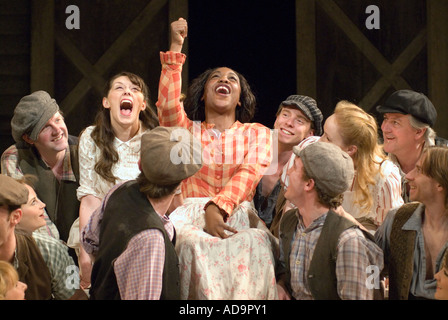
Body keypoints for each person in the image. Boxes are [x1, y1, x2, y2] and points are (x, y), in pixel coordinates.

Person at [156, 18, 277, 299]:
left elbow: (249, 172)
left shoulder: (257, 133)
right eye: (216, 77)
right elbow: (167, 106)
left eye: (232, 78)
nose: (224, 79)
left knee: (258, 241)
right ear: (202, 96)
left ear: (239, 100)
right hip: (191, 215)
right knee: (188, 242)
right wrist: (175, 47)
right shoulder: (186, 131)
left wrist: (219, 207)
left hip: (236, 213)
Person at [81, 126, 202, 300]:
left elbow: (90, 242)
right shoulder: (150, 238)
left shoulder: (118, 190)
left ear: (140, 164)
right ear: (181, 182)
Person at [75, 71, 159, 290]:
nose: (127, 91)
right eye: (119, 88)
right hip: (101, 224)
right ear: (106, 102)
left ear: (142, 105)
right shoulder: (91, 137)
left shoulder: (153, 139)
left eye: (135, 89)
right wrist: (85, 249)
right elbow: (89, 197)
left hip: (145, 224)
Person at [276, 142, 384, 300]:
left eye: (295, 167)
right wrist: (281, 284)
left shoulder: (348, 241)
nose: (288, 172)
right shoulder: (290, 221)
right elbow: (285, 270)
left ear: (309, 184)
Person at [1, 90, 78, 241]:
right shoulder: (15, 158)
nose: (57, 130)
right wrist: (60, 258)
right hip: (43, 252)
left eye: (57, 120)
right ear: (29, 138)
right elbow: (27, 220)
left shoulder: (86, 150)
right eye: (45, 127)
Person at [375, 146, 448, 300]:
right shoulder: (398, 218)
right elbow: (371, 263)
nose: (408, 176)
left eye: (419, 170)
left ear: (439, 184)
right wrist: (374, 293)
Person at [319, 101, 403, 231]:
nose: (319, 141)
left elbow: (389, 237)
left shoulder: (384, 177)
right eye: (323, 134)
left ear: (350, 150)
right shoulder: (317, 158)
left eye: (328, 139)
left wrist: (346, 220)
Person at [253, 95, 323, 233]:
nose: (289, 123)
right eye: (285, 115)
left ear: (310, 134)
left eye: (299, 121)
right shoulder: (251, 151)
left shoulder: (305, 176)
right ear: (276, 120)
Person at [0, 174, 76, 300]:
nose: (42, 205)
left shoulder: (51, 250)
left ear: (15, 217)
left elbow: (76, 296)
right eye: (33, 202)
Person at [376, 89, 437, 203]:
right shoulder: (374, 159)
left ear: (419, 132)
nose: (384, 128)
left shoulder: (444, 161)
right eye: (385, 119)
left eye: (395, 122)